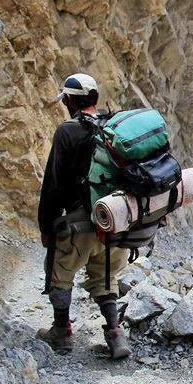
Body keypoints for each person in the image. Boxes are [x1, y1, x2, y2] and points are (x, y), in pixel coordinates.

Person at [36, 73, 131, 359]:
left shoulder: (67, 131)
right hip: (116, 222)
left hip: (80, 223)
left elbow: (54, 183)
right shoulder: (113, 128)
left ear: (68, 100)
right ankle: (115, 334)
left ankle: (61, 331)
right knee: (106, 277)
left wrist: (47, 225)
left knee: (59, 273)